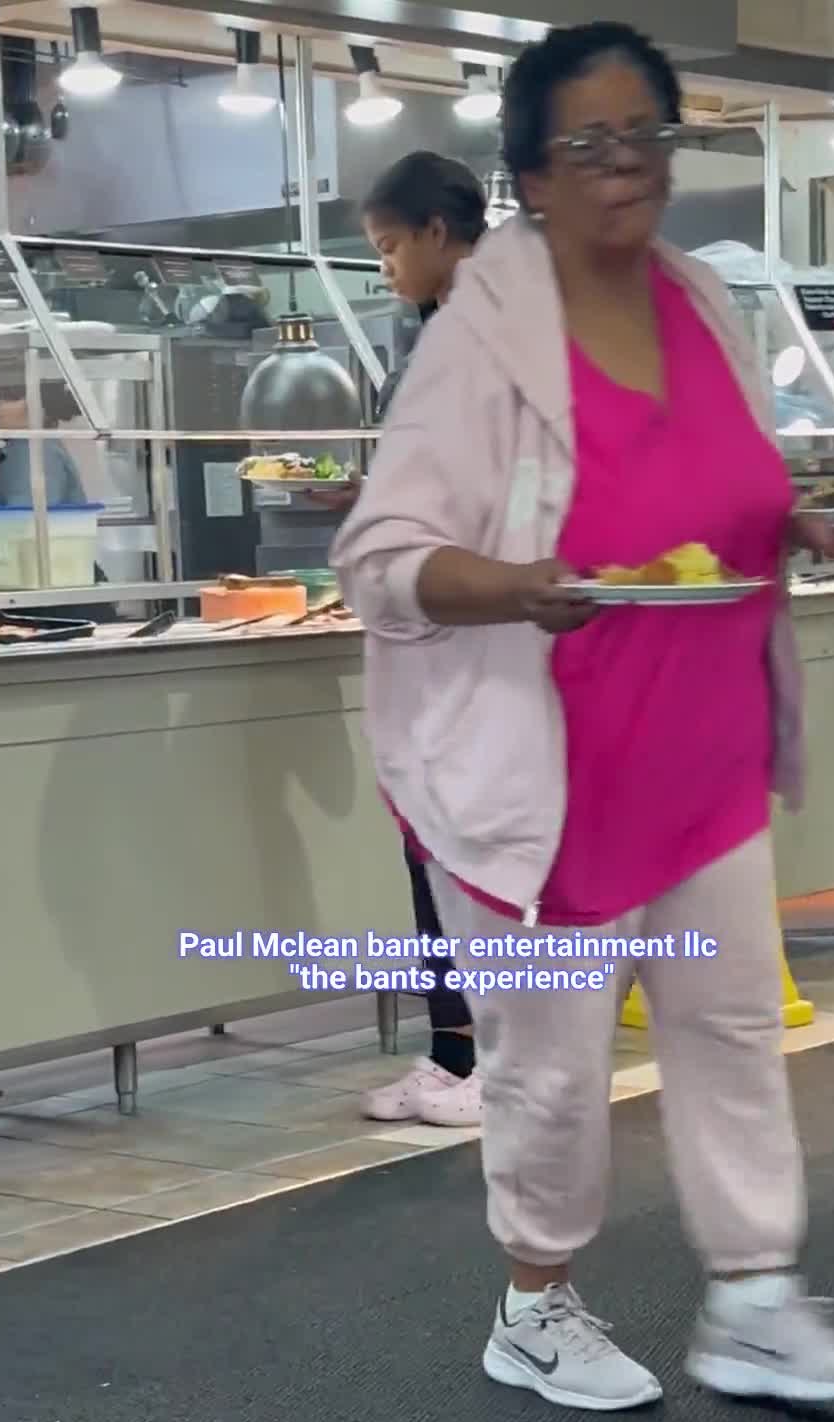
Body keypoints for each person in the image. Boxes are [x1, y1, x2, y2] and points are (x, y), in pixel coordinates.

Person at [333, 22, 834, 1413]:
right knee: (551, 1066)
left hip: (702, 752)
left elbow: (732, 491)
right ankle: (533, 1305)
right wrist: (514, 585)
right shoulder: (481, 337)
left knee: (731, 1029)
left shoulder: (702, 302)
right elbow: (381, 557)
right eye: (587, 143)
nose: (624, 164)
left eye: (645, 132)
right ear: (531, 175)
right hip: (550, 773)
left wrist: (812, 527)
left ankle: (754, 1296)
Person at [351, 154, 489, 1128]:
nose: (387, 266)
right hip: (432, 627)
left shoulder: (494, 332)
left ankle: (497, 1060)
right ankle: (453, 1054)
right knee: (430, 849)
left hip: (479, 631)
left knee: (471, 853)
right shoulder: (442, 332)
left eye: (392, 245)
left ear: (439, 232)